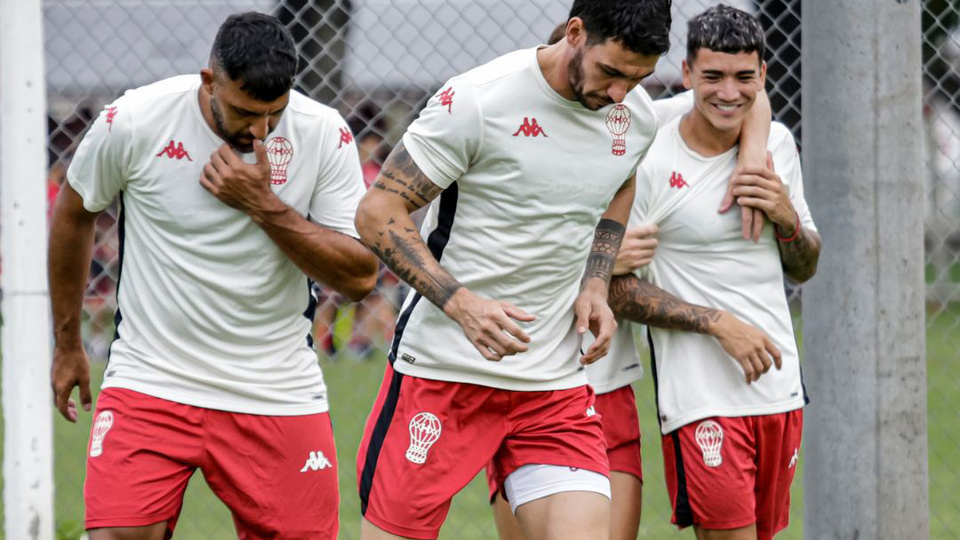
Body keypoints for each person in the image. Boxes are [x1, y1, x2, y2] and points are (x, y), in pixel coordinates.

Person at [48, 12, 377, 540]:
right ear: (209, 82)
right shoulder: (136, 119)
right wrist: (68, 343)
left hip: (276, 387)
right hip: (152, 376)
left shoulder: (323, 132)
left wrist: (265, 207)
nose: (260, 130)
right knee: (118, 535)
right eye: (246, 112)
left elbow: (359, 276)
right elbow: (73, 212)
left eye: (275, 113)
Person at [485, 20, 776, 540]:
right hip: (524, 383)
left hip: (603, 383)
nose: (611, 91)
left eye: (623, 79)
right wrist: (597, 261)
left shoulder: (629, 116)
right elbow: (493, 262)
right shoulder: (500, 133)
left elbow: (737, 98)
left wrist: (753, 154)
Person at [606, 6, 821, 540]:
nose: (729, 92)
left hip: (779, 391)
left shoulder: (776, 146)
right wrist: (717, 323)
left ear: (763, 76)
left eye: (744, 77)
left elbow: (806, 265)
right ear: (686, 74)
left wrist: (786, 217)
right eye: (713, 76)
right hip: (700, 399)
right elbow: (617, 289)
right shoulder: (649, 155)